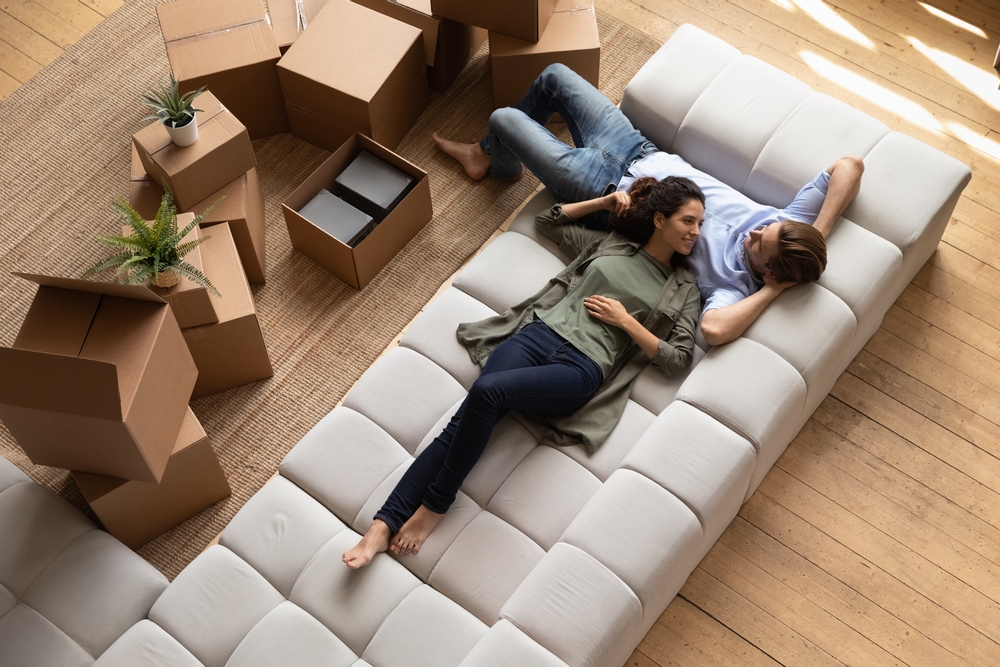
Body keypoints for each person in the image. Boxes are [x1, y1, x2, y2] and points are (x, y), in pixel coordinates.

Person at [342, 175, 706, 568]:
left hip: (581, 367)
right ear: (659, 219)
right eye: (688, 221)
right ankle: (382, 524)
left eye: (700, 224)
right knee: (462, 422)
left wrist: (627, 322)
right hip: (536, 335)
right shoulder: (614, 244)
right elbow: (549, 221)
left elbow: (678, 358)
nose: (696, 232)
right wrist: (602, 204)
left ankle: (435, 505)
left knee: (486, 392)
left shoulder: (684, 288)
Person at [433, 64, 865, 346]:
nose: (755, 230)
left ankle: (495, 159)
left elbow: (713, 331)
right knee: (554, 77)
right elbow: (850, 166)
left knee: (504, 119)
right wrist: (818, 231)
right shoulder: (789, 225)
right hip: (638, 148)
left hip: (604, 191)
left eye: (758, 245)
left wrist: (772, 290)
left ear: (768, 272)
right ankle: (490, 158)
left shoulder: (733, 287)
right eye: (765, 229)